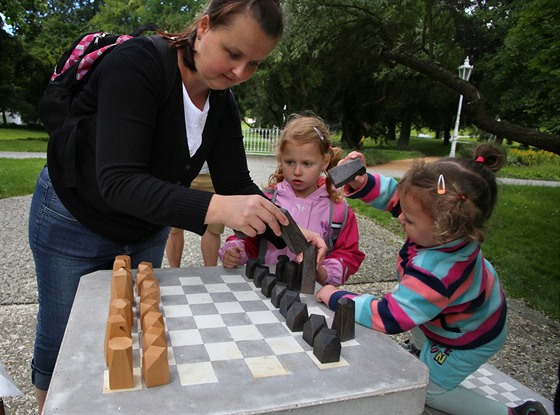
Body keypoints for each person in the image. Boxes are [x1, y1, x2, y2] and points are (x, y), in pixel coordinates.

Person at [28, 1, 326, 412]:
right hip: (74, 216)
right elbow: (118, 181)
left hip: (145, 224)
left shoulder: (221, 99)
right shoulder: (137, 65)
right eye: (234, 53)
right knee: (63, 338)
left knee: (134, 340)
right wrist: (216, 209)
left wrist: (289, 229)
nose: (240, 73)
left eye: (254, 63)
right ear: (203, 28)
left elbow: (236, 184)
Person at [316, 144, 549, 415]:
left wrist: (336, 296)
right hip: (454, 313)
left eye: (410, 219)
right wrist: (364, 181)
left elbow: (391, 316)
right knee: (418, 312)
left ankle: (514, 413)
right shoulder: (440, 226)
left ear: (442, 228)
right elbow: (395, 196)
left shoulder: (437, 271)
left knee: (430, 389)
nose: (400, 216)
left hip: (469, 336)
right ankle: (421, 349)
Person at [219, 114, 365, 286]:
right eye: (289, 162)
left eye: (307, 164)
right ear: (281, 158)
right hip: (265, 288)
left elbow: (348, 253)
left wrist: (323, 272)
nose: (297, 171)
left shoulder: (339, 210)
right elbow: (248, 237)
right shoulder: (267, 200)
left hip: (313, 293)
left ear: (324, 161)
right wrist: (236, 250)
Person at [166, 163, 224, 267]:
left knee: (213, 229)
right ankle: (173, 272)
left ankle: (210, 274)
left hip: (215, 173)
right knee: (174, 228)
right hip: (180, 171)